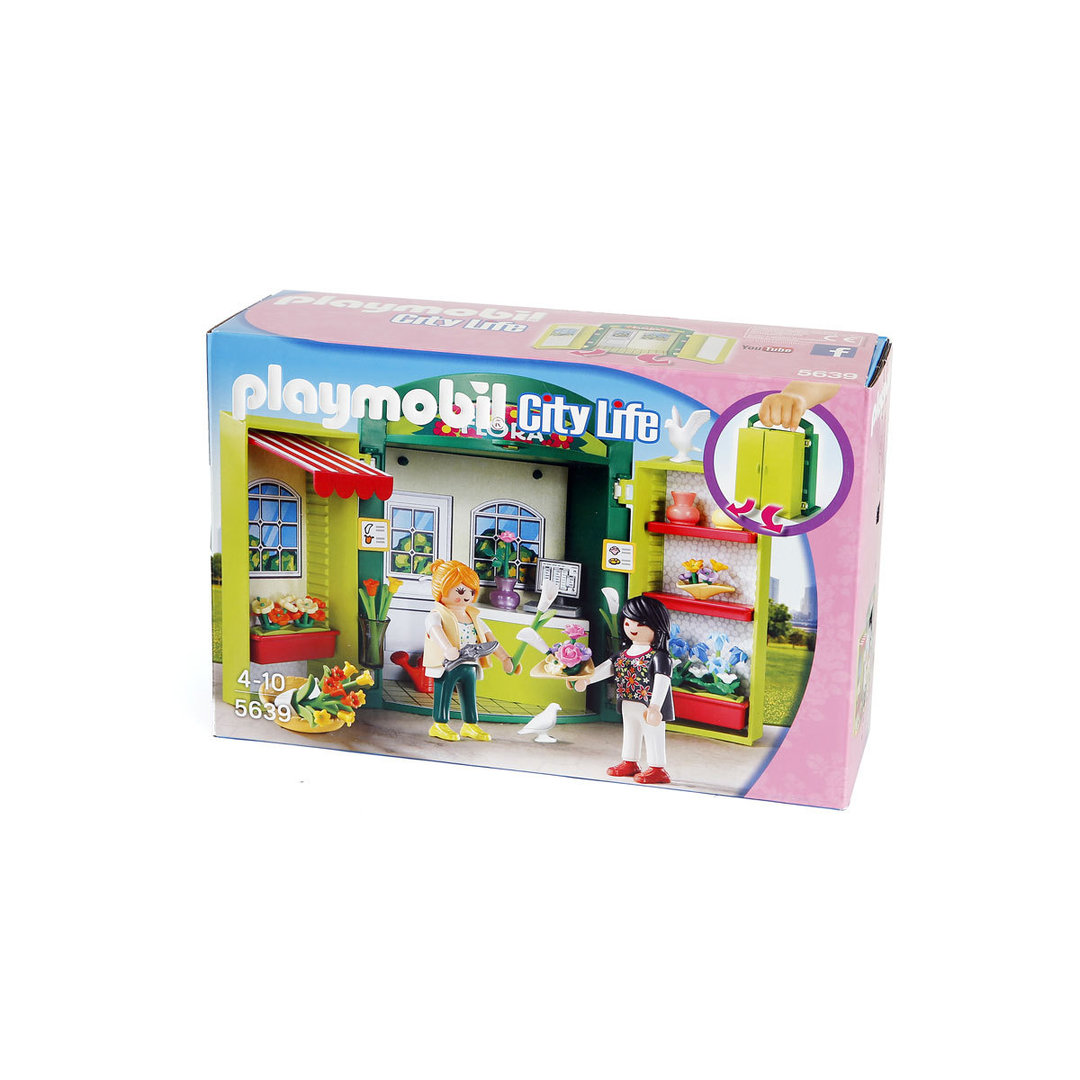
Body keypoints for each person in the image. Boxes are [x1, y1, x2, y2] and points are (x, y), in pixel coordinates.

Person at [568, 594, 674, 784]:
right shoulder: (623, 654)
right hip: (628, 701)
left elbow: (662, 680)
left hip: (648, 705)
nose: (632, 628)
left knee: (653, 734)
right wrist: (585, 680)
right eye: (628, 622)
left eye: (640, 624)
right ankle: (630, 761)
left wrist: (655, 706)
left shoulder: (659, 657)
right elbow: (605, 669)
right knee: (631, 732)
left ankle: (658, 768)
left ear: (658, 626)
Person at [423, 560, 518, 742]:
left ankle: (470, 724)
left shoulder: (473, 617)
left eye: (471, 591)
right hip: (447, 664)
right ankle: (439, 724)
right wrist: (447, 648)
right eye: (460, 591)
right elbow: (435, 631)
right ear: (441, 590)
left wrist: (504, 658)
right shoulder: (437, 615)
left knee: (469, 695)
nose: (467, 596)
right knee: (444, 693)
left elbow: (490, 640)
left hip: (470, 664)